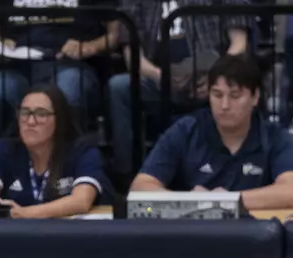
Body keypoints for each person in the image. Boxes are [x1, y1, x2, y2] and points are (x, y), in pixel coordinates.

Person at [129, 54, 293, 211]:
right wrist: (192, 201)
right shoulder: (186, 130)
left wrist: (226, 201)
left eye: (235, 96)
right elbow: (140, 187)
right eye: (217, 95)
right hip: (196, 230)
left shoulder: (275, 137)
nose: (225, 105)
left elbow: (291, 192)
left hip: (253, 230)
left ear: (255, 97)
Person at [107, 0, 250, 176]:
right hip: (157, 78)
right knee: (119, 87)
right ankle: (127, 175)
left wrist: (215, 79)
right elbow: (132, 56)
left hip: (212, 76)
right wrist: (163, 77)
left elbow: (239, 44)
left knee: (231, 89)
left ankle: (234, 171)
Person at [0, 0, 109, 151]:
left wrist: (89, 47)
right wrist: (0, 42)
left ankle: (66, 161)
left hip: (70, 63)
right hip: (17, 63)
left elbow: (114, 35)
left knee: (67, 93)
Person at [0, 84, 107, 218]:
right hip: (14, 230)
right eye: (25, 112)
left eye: (41, 114)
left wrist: (24, 214)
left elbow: (81, 201)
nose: (31, 121)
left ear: (59, 119)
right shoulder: (3, 149)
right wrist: (7, 216)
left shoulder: (83, 151)